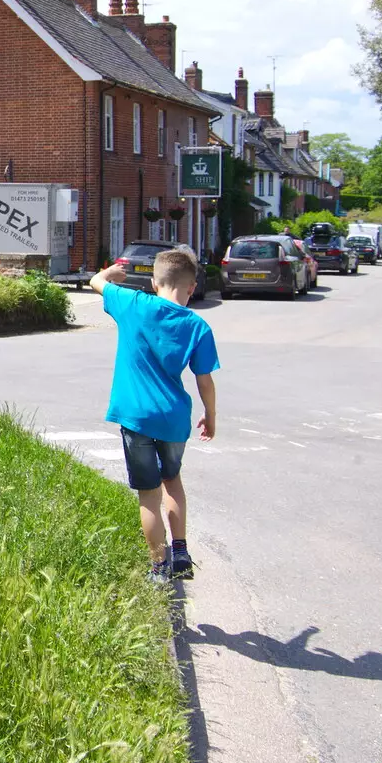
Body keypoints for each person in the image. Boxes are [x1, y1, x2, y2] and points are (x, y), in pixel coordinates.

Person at [90, 248, 219, 584]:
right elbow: (204, 380)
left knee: (149, 494)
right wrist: (211, 416)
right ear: (191, 288)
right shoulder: (197, 326)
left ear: (153, 281)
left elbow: (95, 282)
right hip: (174, 419)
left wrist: (113, 273)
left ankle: (158, 567)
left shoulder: (133, 304)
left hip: (137, 418)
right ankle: (180, 550)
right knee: (173, 482)